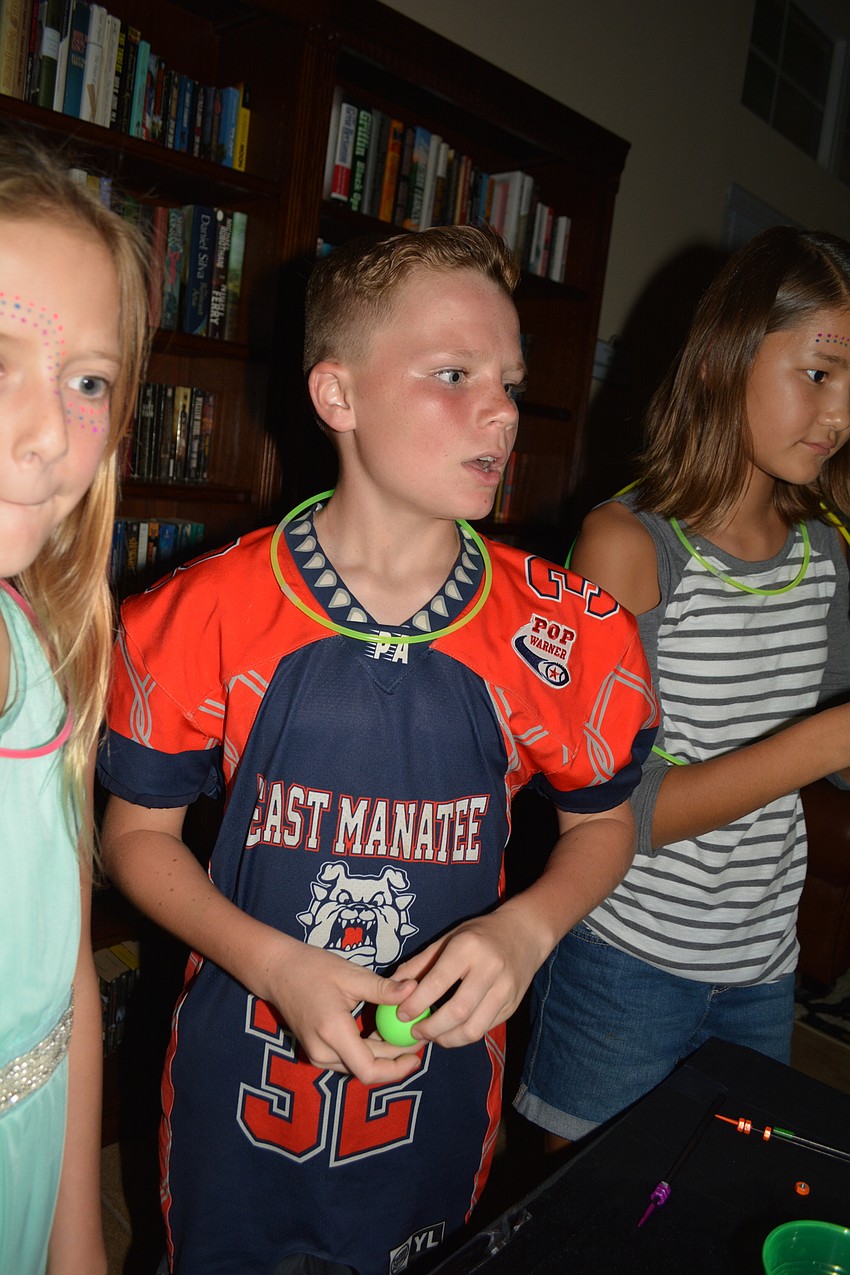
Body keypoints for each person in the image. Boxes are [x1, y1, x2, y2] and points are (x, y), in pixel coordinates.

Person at [96, 223, 658, 1275]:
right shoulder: (197, 614)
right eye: (455, 374)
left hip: (441, 1090)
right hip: (240, 1070)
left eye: (511, 381)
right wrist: (274, 963)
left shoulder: (567, 633)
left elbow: (603, 824)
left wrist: (527, 930)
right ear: (338, 397)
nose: (500, 410)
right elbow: (135, 837)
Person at [515, 225, 850, 1152]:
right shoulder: (627, 546)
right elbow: (632, 808)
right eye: (820, 372)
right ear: (724, 360)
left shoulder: (822, 552)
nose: (839, 412)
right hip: (623, 964)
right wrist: (829, 742)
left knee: (707, 1205)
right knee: (583, 1222)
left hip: (761, 968)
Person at [0, 136, 149, 1275]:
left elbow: (61, 990)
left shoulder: (37, 642)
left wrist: (78, 1241)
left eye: (86, 381)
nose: (52, 434)